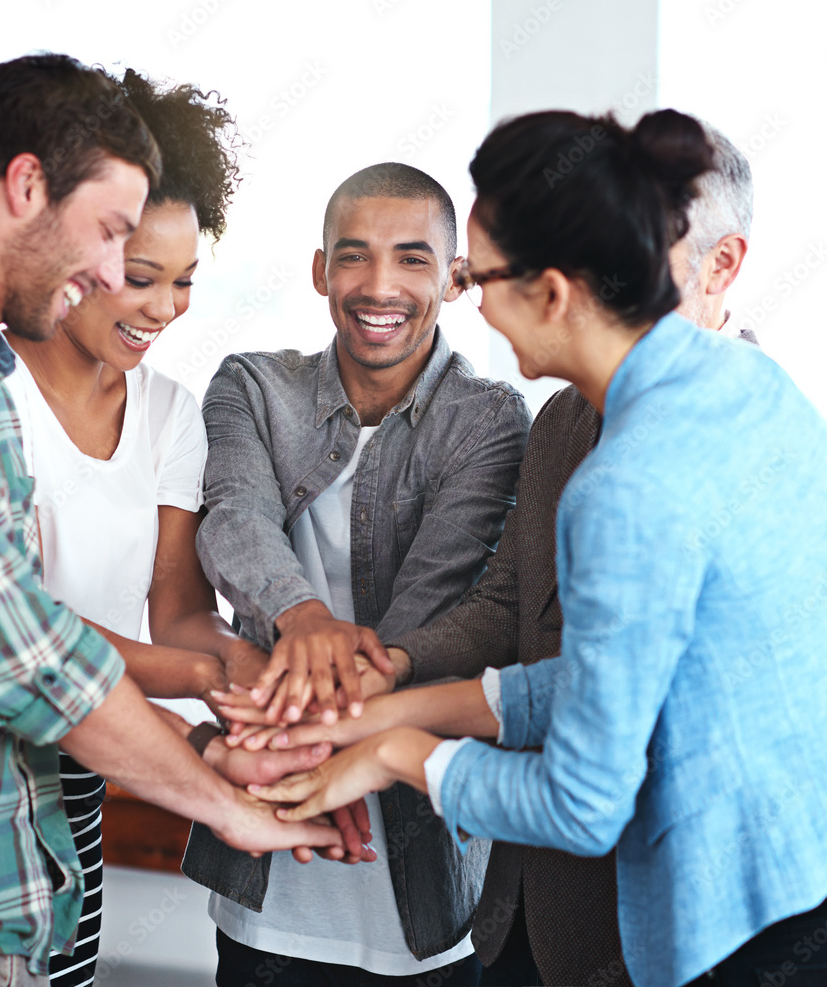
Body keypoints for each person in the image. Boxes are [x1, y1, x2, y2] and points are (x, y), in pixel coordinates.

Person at [246, 111, 827, 987]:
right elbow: (614, 673)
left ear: (554, 292)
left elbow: (583, 804)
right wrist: (385, 715)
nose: (469, 299)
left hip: (725, 938)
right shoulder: (745, 388)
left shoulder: (627, 484)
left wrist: (399, 756)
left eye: (481, 278)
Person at [0, 53, 343, 987]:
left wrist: (212, 725)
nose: (113, 272)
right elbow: (22, 652)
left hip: (1, 880)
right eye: (111, 235)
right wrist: (221, 796)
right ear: (27, 185)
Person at [182, 162, 532, 985]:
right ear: (319, 270)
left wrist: (320, 709)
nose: (380, 285)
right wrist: (302, 616)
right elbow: (234, 522)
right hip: (267, 868)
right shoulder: (252, 386)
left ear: (455, 279)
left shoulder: (491, 417)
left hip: (427, 874)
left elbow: (436, 605)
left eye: (412, 259)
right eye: (353, 256)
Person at [1, 68, 290, 987]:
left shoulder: (170, 413)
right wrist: (210, 686)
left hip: (86, 770)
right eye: (141, 277)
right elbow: (19, 635)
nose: (165, 309)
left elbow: (175, 614)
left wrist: (265, 687)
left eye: (187, 281)